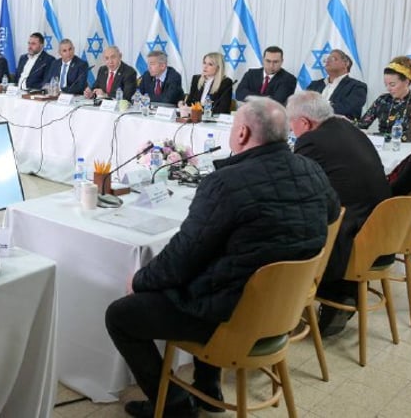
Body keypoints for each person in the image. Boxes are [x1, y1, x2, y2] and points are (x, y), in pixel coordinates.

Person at [106, 97, 337, 418]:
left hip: (234, 318)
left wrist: (140, 280)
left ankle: (172, 405)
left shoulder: (225, 184)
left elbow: (180, 261)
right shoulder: (311, 170)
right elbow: (331, 215)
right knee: (219, 269)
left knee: (121, 315)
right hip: (285, 308)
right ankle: (207, 386)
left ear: (241, 133)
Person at [286, 91, 391, 337]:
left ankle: (280, 305)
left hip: (352, 233)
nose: (291, 130)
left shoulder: (311, 141)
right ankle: (341, 294)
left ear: (305, 123)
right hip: (381, 226)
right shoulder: (348, 127)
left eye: (292, 124)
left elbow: (292, 184)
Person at [357, 55, 411, 139]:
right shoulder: (383, 100)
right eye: (386, 84)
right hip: (382, 147)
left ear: (406, 82)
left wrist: (375, 135)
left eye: (392, 84)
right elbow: (362, 124)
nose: (388, 89)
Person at [306, 49, 368, 119]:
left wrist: (319, 107)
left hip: (339, 127)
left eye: (333, 58)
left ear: (346, 63)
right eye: (326, 60)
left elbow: (347, 108)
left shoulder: (357, 86)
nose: (327, 61)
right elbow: (303, 105)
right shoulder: (315, 85)